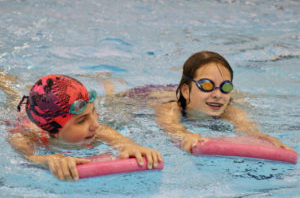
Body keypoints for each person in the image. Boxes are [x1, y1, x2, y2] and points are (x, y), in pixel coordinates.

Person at [8, 74, 162, 181]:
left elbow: (120, 141)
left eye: (93, 112)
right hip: (21, 116)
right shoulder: (27, 136)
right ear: (53, 130)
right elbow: (29, 157)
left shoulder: (98, 131)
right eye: (81, 121)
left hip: (46, 109)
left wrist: (130, 146)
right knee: (13, 95)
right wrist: (48, 159)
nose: (95, 125)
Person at [155, 51, 293, 153]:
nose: (218, 95)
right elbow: (171, 127)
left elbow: (247, 129)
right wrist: (186, 136)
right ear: (185, 91)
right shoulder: (171, 108)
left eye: (225, 87)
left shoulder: (231, 110)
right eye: (206, 86)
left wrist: (260, 137)